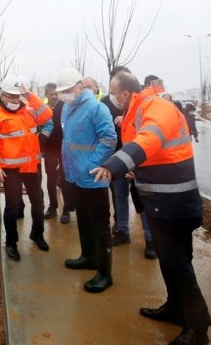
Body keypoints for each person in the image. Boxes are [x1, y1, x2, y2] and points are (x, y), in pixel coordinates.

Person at [94, 72, 211, 345]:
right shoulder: (137, 109)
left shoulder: (156, 107)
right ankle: (175, 307)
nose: (111, 98)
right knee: (169, 261)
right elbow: (154, 153)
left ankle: (199, 327)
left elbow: (150, 140)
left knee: (179, 265)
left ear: (125, 94)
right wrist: (138, 169)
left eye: (113, 93)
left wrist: (114, 165)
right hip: (160, 204)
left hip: (175, 205)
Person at [56, 68, 117, 293]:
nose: (64, 95)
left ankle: (105, 273)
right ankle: (88, 257)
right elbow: (68, 141)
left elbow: (109, 139)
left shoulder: (96, 108)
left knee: (100, 226)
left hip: (93, 178)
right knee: (83, 219)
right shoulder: (67, 109)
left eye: (68, 90)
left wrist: (91, 165)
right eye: (61, 91)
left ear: (80, 86)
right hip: (74, 176)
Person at [0, 75, 53, 261]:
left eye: (17, 96)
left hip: (32, 167)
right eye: (10, 96)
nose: (14, 100)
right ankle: (11, 243)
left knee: (38, 202)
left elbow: (47, 115)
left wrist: (29, 95)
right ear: (2, 95)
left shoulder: (29, 111)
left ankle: (37, 234)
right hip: (10, 170)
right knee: (12, 208)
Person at [101, 67, 156, 259]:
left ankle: (150, 239)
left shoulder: (142, 106)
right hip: (119, 159)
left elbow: (147, 140)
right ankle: (122, 231)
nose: (114, 97)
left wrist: (136, 166)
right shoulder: (112, 103)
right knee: (120, 195)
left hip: (138, 162)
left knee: (141, 200)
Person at [40, 83, 75, 223]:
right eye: (51, 94)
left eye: (56, 94)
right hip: (49, 148)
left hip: (63, 147)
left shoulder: (65, 107)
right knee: (50, 177)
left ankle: (66, 210)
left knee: (65, 177)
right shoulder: (44, 109)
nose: (54, 96)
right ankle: (52, 207)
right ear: (46, 95)